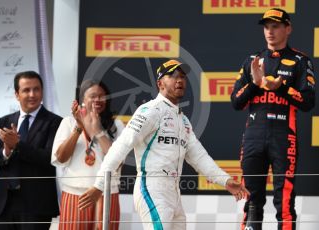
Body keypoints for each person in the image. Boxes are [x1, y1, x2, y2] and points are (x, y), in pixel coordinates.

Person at [78, 59, 250, 230]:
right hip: (152, 188)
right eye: (174, 76)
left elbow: (200, 157)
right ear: (160, 83)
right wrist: (99, 185)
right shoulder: (150, 110)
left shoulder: (183, 121)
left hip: (174, 192)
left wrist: (226, 181)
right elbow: (121, 145)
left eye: (183, 77)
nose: (180, 80)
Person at [230, 8, 316, 230]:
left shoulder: (300, 61)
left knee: (284, 202)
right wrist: (255, 84)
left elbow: (308, 102)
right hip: (253, 137)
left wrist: (283, 89)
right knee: (252, 200)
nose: (270, 31)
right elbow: (236, 102)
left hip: (283, 137)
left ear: (288, 28)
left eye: (275, 26)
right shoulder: (252, 61)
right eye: (266, 27)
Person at [0, 71, 62, 230]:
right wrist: (6, 152)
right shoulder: (4, 121)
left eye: (36, 89)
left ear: (42, 91)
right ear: (17, 94)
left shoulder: (55, 122)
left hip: (36, 205)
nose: (32, 94)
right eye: (26, 90)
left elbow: (50, 158)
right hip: (3, 203)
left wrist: (18, 145)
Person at [51, 80, 124, 230]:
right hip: (75, 194)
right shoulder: (68, 122)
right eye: (92, 96)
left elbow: (118, 161)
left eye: (102, 96)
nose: (97, 100)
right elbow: (60, 158)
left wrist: (98, 131)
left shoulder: (116, 125)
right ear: (82, 100)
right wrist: (79, 127)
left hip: (107, 193)